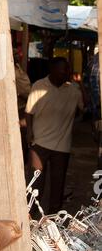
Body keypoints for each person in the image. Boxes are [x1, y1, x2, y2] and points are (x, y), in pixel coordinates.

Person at [25, 57, 84, 214]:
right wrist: (29, 133)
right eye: (61, 71)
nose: (64, 74)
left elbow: (83, 110)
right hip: (39, 143)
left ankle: (52, 218)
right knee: (36, 182)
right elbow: (29, 112)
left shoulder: (73, 91)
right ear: (52, 70)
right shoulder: (38, 86)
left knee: (58, 185)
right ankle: (29, 214)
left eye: (67, 72)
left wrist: (81, 85)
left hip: (61, 146)